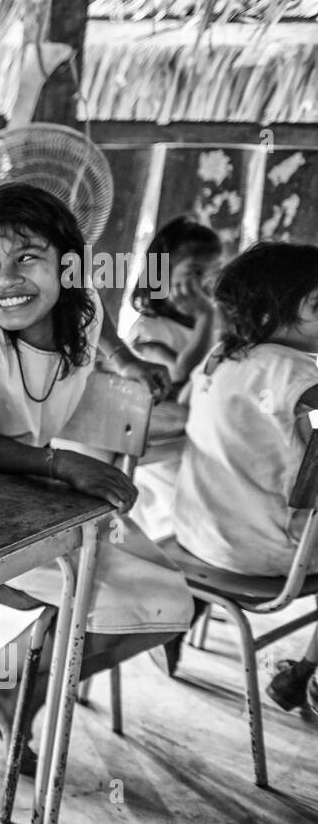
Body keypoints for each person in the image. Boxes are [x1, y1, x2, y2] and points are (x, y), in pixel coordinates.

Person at [0, 182, 194, 772]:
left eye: (28, 259)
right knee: (121, 600)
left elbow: (102, 330)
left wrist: (129, 364)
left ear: (68, 267)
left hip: (38, 504)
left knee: (167, 605)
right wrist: (63, 463)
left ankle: (12, 680)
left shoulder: (82, 310)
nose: (6, 279)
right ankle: (12, 683)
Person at [172, 242, 318, 713]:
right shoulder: (301, 378)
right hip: (265, 557)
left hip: (199, 542)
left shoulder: (220, 358)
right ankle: (308, 671)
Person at [124, 218, 223, 542]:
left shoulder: (211, 328)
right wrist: (207, 317)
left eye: (212, 271)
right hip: (162, 461)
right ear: (160, 273)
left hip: (197, 450)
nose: (206, 282)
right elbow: (179, 375)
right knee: (176, 530)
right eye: (194, 272)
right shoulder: (149, 330)